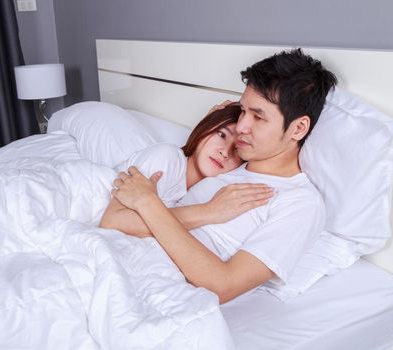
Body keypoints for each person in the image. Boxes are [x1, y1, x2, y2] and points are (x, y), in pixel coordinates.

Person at [111, 48, 338, 304]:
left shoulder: (300, 203)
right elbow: (122, 222)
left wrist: (148, 202)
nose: (241, 126)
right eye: (242, 111)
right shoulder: (226, 167)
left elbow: (224, 285)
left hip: (151, 285)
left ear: (298, 128)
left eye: (258, 117)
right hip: (121, 255)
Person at [100, 103, 274, 236]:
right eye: (221, 135)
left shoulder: (202, 193)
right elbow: (112, 221)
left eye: (237, 149)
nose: (225, 152)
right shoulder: (167, 158)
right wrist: (210, 211)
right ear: (206, 129)